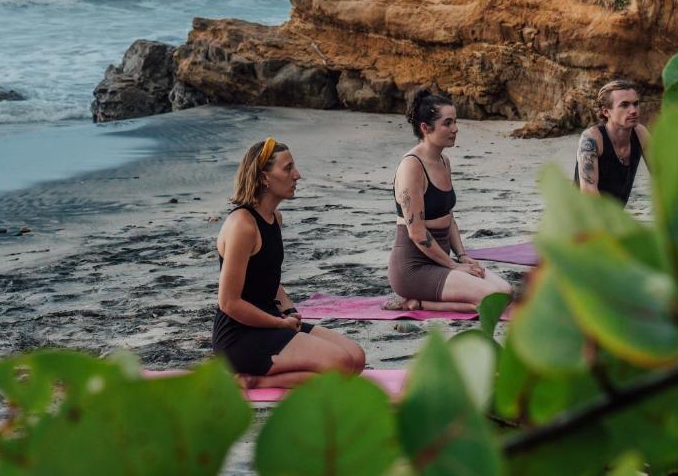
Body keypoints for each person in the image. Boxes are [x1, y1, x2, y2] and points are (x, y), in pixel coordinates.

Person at [212, 138, 365, 388]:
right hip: (239, 336)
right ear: (264, 178)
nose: (297, 175)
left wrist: (289, 310)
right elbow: (228, 302)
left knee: (356, 357)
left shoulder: (274, 218)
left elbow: (268, 279)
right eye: (288, 168)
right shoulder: (243, 225)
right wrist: (279, 323)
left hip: (271, 321)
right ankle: (254, 381)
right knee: (340, 365)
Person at [388, 89, 512, 313]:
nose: (455, 129)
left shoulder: (443, 161)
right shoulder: (412, 166)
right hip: (414, 268)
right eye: (447, 123)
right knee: (492, 299)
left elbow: (448, 217)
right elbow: (417, 233)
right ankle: (418, 302)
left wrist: (463, 256)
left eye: (455, 122)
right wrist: (454, 265)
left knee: (505, 292)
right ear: (426, 128)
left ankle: (423, 301)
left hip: (442, 260)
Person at [575, 80, 650, 205]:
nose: (633, 110)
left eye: (635, 104)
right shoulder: (592, 139)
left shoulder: (641, 134)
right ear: (606, 112)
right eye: (624, 105)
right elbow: (588, 191)